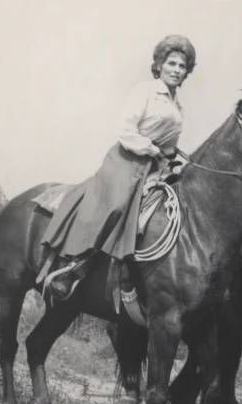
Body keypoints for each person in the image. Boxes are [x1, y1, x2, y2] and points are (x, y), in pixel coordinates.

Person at [42, 34, 196, 299]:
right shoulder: (146, 90)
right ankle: (75, 265)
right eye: (171, 63)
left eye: (182, 67)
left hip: (157, 165)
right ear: (159, 65)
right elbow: (125, 130)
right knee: (116, 204)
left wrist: (177, 161)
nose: (176, 70)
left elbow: (171, 144)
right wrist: (151, 148)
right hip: (128, 158)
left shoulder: (176, 105)